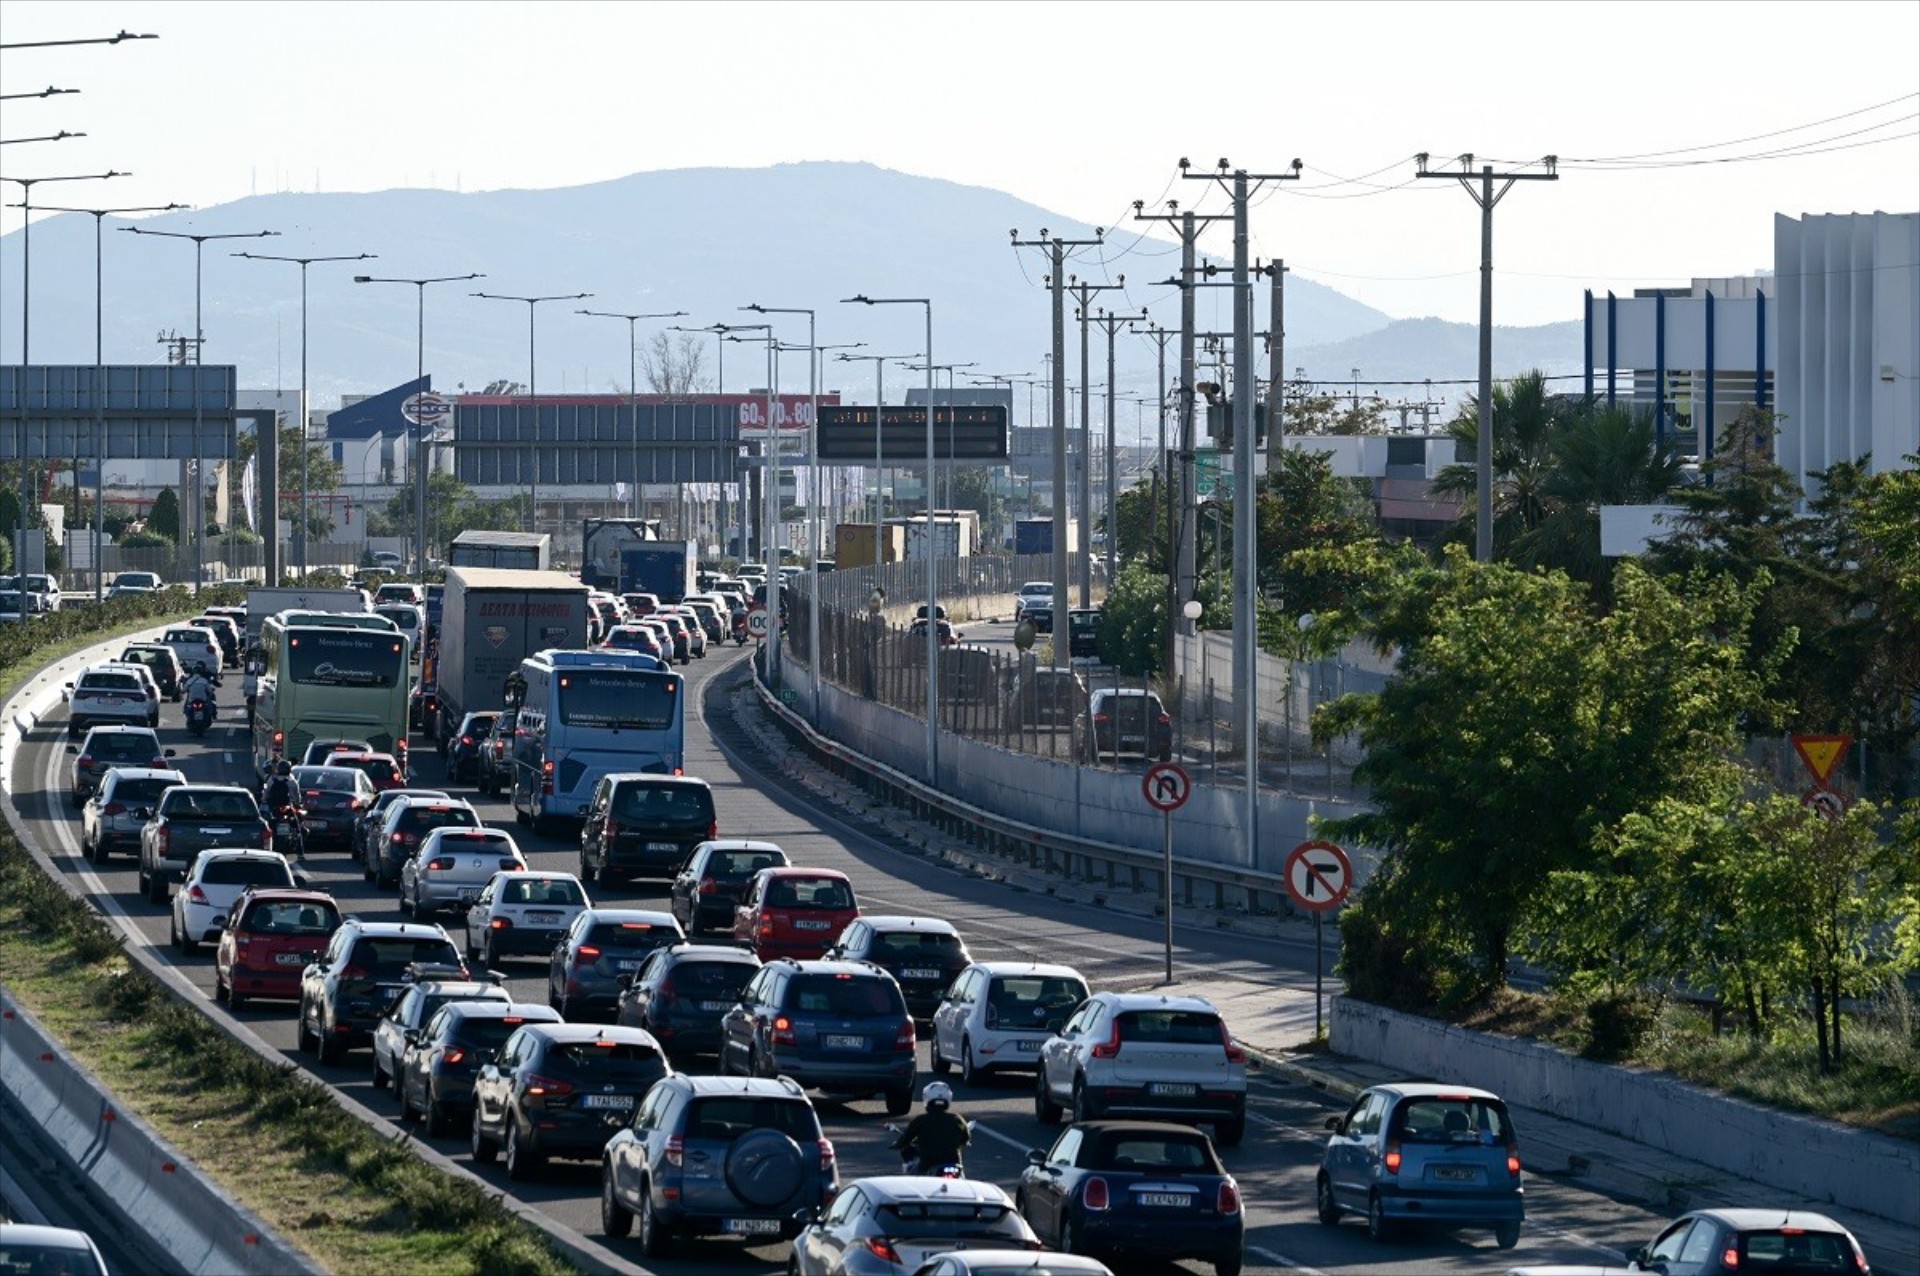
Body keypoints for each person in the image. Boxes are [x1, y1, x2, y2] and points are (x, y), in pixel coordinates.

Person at [891, 1080, 969, 1174]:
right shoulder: (957, 1120)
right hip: (953, 1163)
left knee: (912, 1176)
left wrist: (898, 1145)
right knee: (961, 1175)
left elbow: (906, 1138)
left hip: (928, 1163)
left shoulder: (920, 1120)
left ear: (927, 1099)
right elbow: (966, 1138)